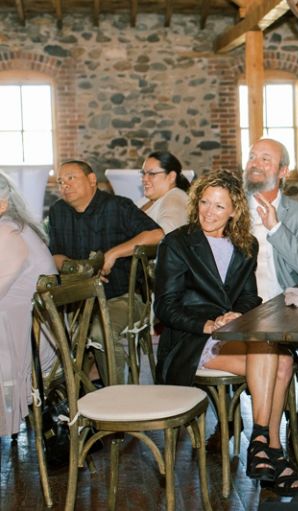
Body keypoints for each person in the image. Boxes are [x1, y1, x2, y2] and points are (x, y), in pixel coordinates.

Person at [154, 170, 298, 494]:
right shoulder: (177, 243)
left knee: (283, 360)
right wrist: (207, 324)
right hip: (190, 339)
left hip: (230, 335)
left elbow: (249, 297)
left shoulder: (245, 244)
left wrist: (237, 315)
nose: (209, 212)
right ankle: (271, 450)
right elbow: (165, 307)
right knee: (271, 355)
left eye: (219, 206)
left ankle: (263, 445)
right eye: (205, 203)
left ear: (234, 211)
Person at [48, 160, 163, 384]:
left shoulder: (118, 206)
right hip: (76, 299)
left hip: (123, 297)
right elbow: (55, 255)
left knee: (100, 331)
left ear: (92, 180)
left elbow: (157, 235)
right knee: (50, 329)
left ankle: (116, 395)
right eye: (60, 182)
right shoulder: (58, 211)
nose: (65, 185)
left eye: (71, 178)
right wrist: (81, 268)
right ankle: (74, 393)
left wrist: (113, 254)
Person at [244, 138, 298, 457]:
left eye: (266, 158)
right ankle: (233, 425)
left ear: (283, 171)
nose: (256, 163)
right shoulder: (228, 208)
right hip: (241, 309)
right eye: (252, 157)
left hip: (285, 307)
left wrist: (275, 228)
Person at [0, 171, 57, 436]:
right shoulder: (16, 227)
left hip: (29, 341)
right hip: (37, 329)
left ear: (2, 204)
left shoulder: (7, 233)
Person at [139, 151, 191, 234]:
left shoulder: (174, 198)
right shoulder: (146, 199)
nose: (144, 179)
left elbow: (168, 235)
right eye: (143, 173)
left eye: (152, 174)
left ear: (171, 177)